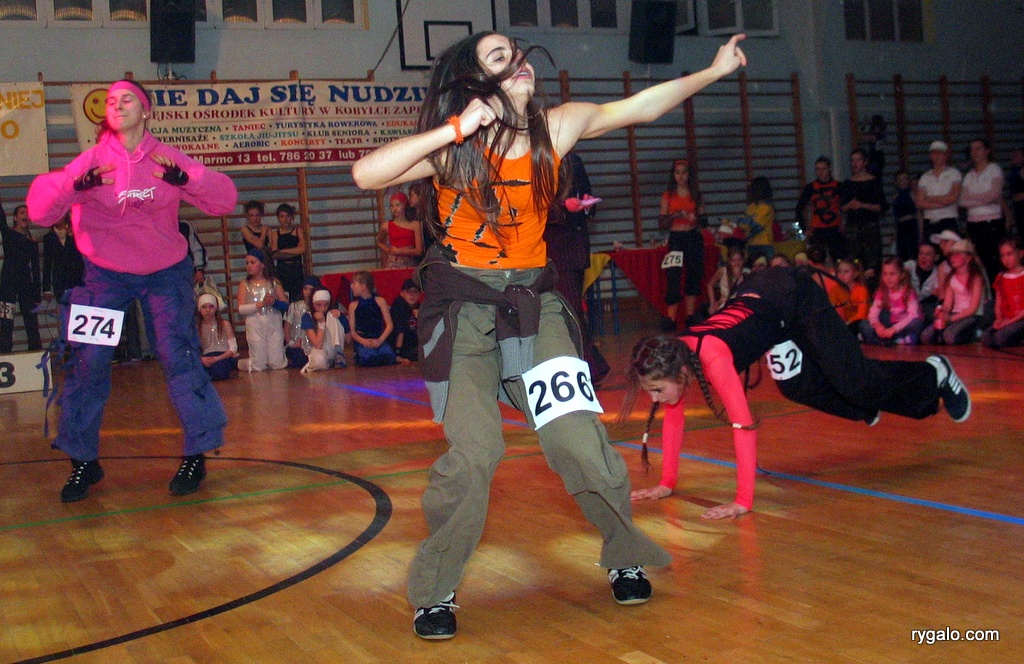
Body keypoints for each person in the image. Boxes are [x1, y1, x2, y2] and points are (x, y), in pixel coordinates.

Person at [351, 30, 747, 639]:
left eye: (519, 54)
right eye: (500, 58)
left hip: (534, 306)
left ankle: (624, 552)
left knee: (579, 441)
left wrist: (714, 72)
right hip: (462, 313)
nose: (520, 63)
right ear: (473, 82)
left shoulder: (555, 128)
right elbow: (366, 174)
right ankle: (436, 590)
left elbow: (640, 107)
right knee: (475, 456)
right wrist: (454, 128)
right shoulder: (454, 147)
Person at [26, 79, 237, 502]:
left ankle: (196, 453)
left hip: (165, 273)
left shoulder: (166, 158)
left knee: (178, 355)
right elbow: (39, 212)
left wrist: (189, 179)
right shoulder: (90, 161)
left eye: (127, 99)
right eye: (111, 101)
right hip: (104, 276)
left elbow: (225, 200)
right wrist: (73, 187)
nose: (117, 105)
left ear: (146, 110)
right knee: (88, 362)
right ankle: (83, 460)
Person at [625, 266, 971, 519]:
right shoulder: (678, 355)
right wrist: (667, 482)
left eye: (656, 389)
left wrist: (742, 500)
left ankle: (934, 372)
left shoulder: (713, 359)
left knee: (855, 379)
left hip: (794, 297)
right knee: (795, 387)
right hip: (766, 305)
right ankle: (864, 407)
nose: (655, 399)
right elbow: (673, 418)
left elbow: (743, 426)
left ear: (677, 373)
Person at [542, 150, 610, 384]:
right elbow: (532, 206)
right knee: (563, 310)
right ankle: (587, 367)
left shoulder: (573, 160)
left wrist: (585, 204)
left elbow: (589, 199)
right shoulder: (539, 158)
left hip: (571, 247)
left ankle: (589, 367)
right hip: (549, 246)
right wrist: (563, 206)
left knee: (570, 309)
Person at [659, 158, 704, 330]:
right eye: (677, 172)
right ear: (673, 175)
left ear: (689, 175)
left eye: (684, 172)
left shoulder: (696, 195)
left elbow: (704, 220)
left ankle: (690, 316)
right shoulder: (668, 196)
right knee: (673, 277)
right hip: (676, 239)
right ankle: (671, 318)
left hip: (693, 238)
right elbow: (662, 223)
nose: (681, 176)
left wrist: (696, 218)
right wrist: (675, 215)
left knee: (693, 275)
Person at [921, 239, 986, 345]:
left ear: (968, 258)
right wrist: (942, 312)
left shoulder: (975, 278)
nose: (952, 258)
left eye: (957, 255)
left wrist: (951, 318)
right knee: (926, 336)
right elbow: (948, 303)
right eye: (951, 255)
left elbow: (973, 308)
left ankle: (974, 334)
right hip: (954, 314)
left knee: (950, 336)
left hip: (970, 316)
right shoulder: (952, 277)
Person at [959, 138, 1005, 282]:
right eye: (972, 149)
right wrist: (983, 198)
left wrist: (973, 199)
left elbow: (994, 195)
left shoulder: (994, 169)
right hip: (973, 224)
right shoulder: (969, 175)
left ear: (987, 151)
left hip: (992, 222)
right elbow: (962, 201)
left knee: (994, 262)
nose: (974, 152)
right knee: (977, 262)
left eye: (978, 148)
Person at [236, 248, 289, 372]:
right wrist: (259, 304)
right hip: (255, 324)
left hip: (273, 323)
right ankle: (241, 363)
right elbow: (241, 308)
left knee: (277, 364)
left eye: (252, 262)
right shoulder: (244, 284)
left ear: (263, 264)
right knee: (258, 366)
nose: (249, 266)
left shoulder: (274, 282)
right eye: (247, 263)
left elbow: (286, 305)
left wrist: (273, 302)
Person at [0, 204, 42, 353]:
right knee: (6, 318)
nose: (26, 215)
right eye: (22, 213)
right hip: (8, 281)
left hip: (25, 282)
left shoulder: (32, 241)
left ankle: (35, 349)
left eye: (27, 213)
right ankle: (4, 351)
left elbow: (36, 269)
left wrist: (37, 294)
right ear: (15, 218)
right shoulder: (8, 233)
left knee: (31, 317)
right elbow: (1, 218)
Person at [839, 148, 885, 283]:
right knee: (854, 261)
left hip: (870, 227)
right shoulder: (847, 183)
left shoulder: (874, 182)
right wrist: (850, 205)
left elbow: (881, 206)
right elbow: (842, 207)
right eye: (852, 161)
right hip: (853, 227)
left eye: (858, 160)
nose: (855, 163)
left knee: (872, 263)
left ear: (865, 162)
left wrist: (862, 205)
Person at [860, 256, 924, 345]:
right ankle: (893, 340)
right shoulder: (882, 291)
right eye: (885, 274)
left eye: (892, 274)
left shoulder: (908, 292)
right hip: (890, 323)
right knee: (864, 324)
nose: (888, 278)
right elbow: (873, 312)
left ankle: (889, 340)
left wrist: (894, 329)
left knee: (916, 323)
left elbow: (913, 315)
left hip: (903, 325)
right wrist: (878, 326)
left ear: (902, 275)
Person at [794, 156, 845, 263]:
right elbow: (798, 209)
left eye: (823, 169)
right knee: (816, 261)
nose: (820, 172)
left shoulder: (839, 186)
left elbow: (847, 207)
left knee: (839, 259)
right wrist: (805, 229)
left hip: (835, 228)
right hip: (817, 230)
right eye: (818, 169)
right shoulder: (810, 187)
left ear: (830, 169)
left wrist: (844, 223)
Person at [346, 270, 396, 367]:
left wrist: (380, 340)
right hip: (363, 341)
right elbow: (353, 331)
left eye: (354, 283)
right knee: (369, 358)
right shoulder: (353, 306)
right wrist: (363, 341)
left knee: (388, 357)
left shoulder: (380, 301)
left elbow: (390, 325)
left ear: (363, 286)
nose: (351, 286)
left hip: (379, 339)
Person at [981, 237, 1024, 348]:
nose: (1006, 259)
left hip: (1020, 318)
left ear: (1020, 254)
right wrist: (999, 319)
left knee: (1001, 338)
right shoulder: (1001, 277)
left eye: (1009, 254)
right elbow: (998, 302)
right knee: (986, 337)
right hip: (1007, 319)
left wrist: (1009, 322)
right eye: (1002, 256)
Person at [915, 140, 962, 238]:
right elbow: (919, 202)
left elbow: (953, 197)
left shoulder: (954, 174)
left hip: (948, 219)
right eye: (934, 153)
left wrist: (930, 198)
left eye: (940, 153)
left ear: (946, 155)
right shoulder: (925, 177)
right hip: (930, 220)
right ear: (930, 156)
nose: (937, 156)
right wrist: (942, 202)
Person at [41, 213, 85, 306]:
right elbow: (47, 263)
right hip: (60, 281)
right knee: (64, 310)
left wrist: (74, 235)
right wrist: (46, 289)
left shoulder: (76, 232)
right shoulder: (48, 238)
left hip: (77, 279)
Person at [300, 289, 347, 372]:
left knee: (332, 315)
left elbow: (348, 339)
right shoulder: (307, 316)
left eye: (326, 304)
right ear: (312, 304)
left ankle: (338, 354)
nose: (323, 308)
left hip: (332, 350)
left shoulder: (332, 314)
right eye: (318, 305)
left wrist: (342, 319)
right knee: (319, 360)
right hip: (315, 352)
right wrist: (321, 323)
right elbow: (317, 345)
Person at [196, 292, 238, 381]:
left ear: (216, 308)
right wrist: (202, 359)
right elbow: (194, 348)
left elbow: (233, 347)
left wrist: (217, 358)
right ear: (199, 309)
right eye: (204, 307)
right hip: (207, 357)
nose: (208, 310)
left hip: (223, 356)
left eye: (211, 306)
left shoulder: (225, 324)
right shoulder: (197, 327)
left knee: (219, 370)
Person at [376, 191, 424, 268]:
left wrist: (399, 251)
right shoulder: (386, 225)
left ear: (404, 205)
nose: (395, 209)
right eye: (392, 206)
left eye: (398, 205)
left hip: (410, 263)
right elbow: (378, 241)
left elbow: (418, 251)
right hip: (393, 263)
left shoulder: (415, 225)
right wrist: (388, 250)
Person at [269, 203, 305, 301]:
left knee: (297, 297)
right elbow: (275, 254)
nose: (285, 219)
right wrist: (294, 251)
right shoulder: (275, 233)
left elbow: (302, 249)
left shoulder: (298, 230)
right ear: (278, 218)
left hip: (296, 268)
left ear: (291, 217)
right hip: (282, 269)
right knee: (283, 297)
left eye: (287, 216)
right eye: (282, 216)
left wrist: (283, 251)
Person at [285, 275, 321, 368]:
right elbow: (286, 329)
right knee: (299, 358)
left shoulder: (320, 307)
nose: (308, 292)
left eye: (311, 289)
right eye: (306, 289)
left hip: (314, 346)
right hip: (296, 346)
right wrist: (292, 343)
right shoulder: (294, 306)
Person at [743, 176, 775, 263]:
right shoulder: (751, 207)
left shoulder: (766, 207)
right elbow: (743, 223)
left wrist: (746, 234)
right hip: (753, 244)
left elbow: (756, 226)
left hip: (764, 244)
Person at [905, 241, 941, 319]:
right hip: (904, 305)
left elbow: (937, 295)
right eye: (921, 253)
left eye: (928, 254)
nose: (923, 257)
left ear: (936, 257)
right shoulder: (909, 266)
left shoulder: (938, 273)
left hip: (924, 307)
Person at [388, 278, 421, 364]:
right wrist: (398, 355)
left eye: (415, 292)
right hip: (401, 347)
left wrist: (421, 317)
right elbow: (400, 332)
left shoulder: (419, 306)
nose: (412, 295)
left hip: (414, 344)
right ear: (402, 293)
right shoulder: (400, 306)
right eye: (409, 292)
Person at [707, 246, 747, 314]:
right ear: (729, 261)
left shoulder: (746, 272)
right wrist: (712, 302)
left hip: (740, 304)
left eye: (739, 260)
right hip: (724, 303)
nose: (737, 263)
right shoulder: (723, 271)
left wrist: (739, 277)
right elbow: (710, 285)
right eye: (734, 260)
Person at [834, 258, 869, 335]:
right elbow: (830, 305)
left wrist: (847, 323)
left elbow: (862, 314)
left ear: (855, 274)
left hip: (861, 323)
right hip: (847, 324)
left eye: (846, 271)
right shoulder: (836, 289)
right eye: (839, 271)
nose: (842, 275)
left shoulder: (861, 290)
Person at [892, 170, 920, 262]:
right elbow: (895, 217)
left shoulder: (912, 194)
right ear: (896, 182)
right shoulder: (895, 196)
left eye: (905, 179)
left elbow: (918, 213)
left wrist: (920, 230)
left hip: (911, 225)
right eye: (901, 180)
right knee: (902, 253)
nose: (904, 182)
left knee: (913, 251)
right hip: (901, 226)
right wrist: (895, 232)